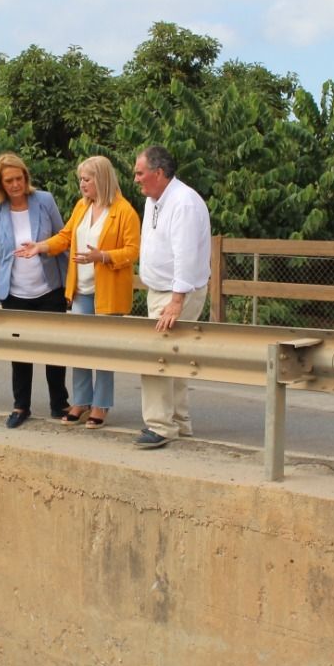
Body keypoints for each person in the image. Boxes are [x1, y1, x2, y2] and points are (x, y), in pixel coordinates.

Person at [15, 155, 140, 429]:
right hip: (82, 290)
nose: (82, 184)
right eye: (80, 179)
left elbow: (133, 251)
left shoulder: (124, 211)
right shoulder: (82, 206)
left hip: (108, 293)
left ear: (101, 179)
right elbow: (65, 237)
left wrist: (103, 256)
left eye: (86, 179)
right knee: (81, 349)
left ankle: (101, 405)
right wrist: (40, 246)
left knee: (103, 351)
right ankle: (81, 401)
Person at [0, 152, 70, 428]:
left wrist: (70, 285)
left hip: (49, 288)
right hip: (14, 292)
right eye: (9, 181)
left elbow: (62, 239)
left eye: (19, 178)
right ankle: (21, 406)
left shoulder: (45, 200)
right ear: (0, 183)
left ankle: (59, 403)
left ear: (26, 178)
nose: (16, 184)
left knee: (54, 350)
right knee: (20, 353)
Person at [130, 144, 211, 449]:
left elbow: (185, 256)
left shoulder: (183, 203)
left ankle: (160, 426)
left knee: (157, 357)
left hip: (177, 293)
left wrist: (176, 301)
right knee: (174, 356)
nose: (136, 179)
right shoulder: (154, 199)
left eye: (140, 173)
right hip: (161, 290)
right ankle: (177, 421)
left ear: (159, 172)